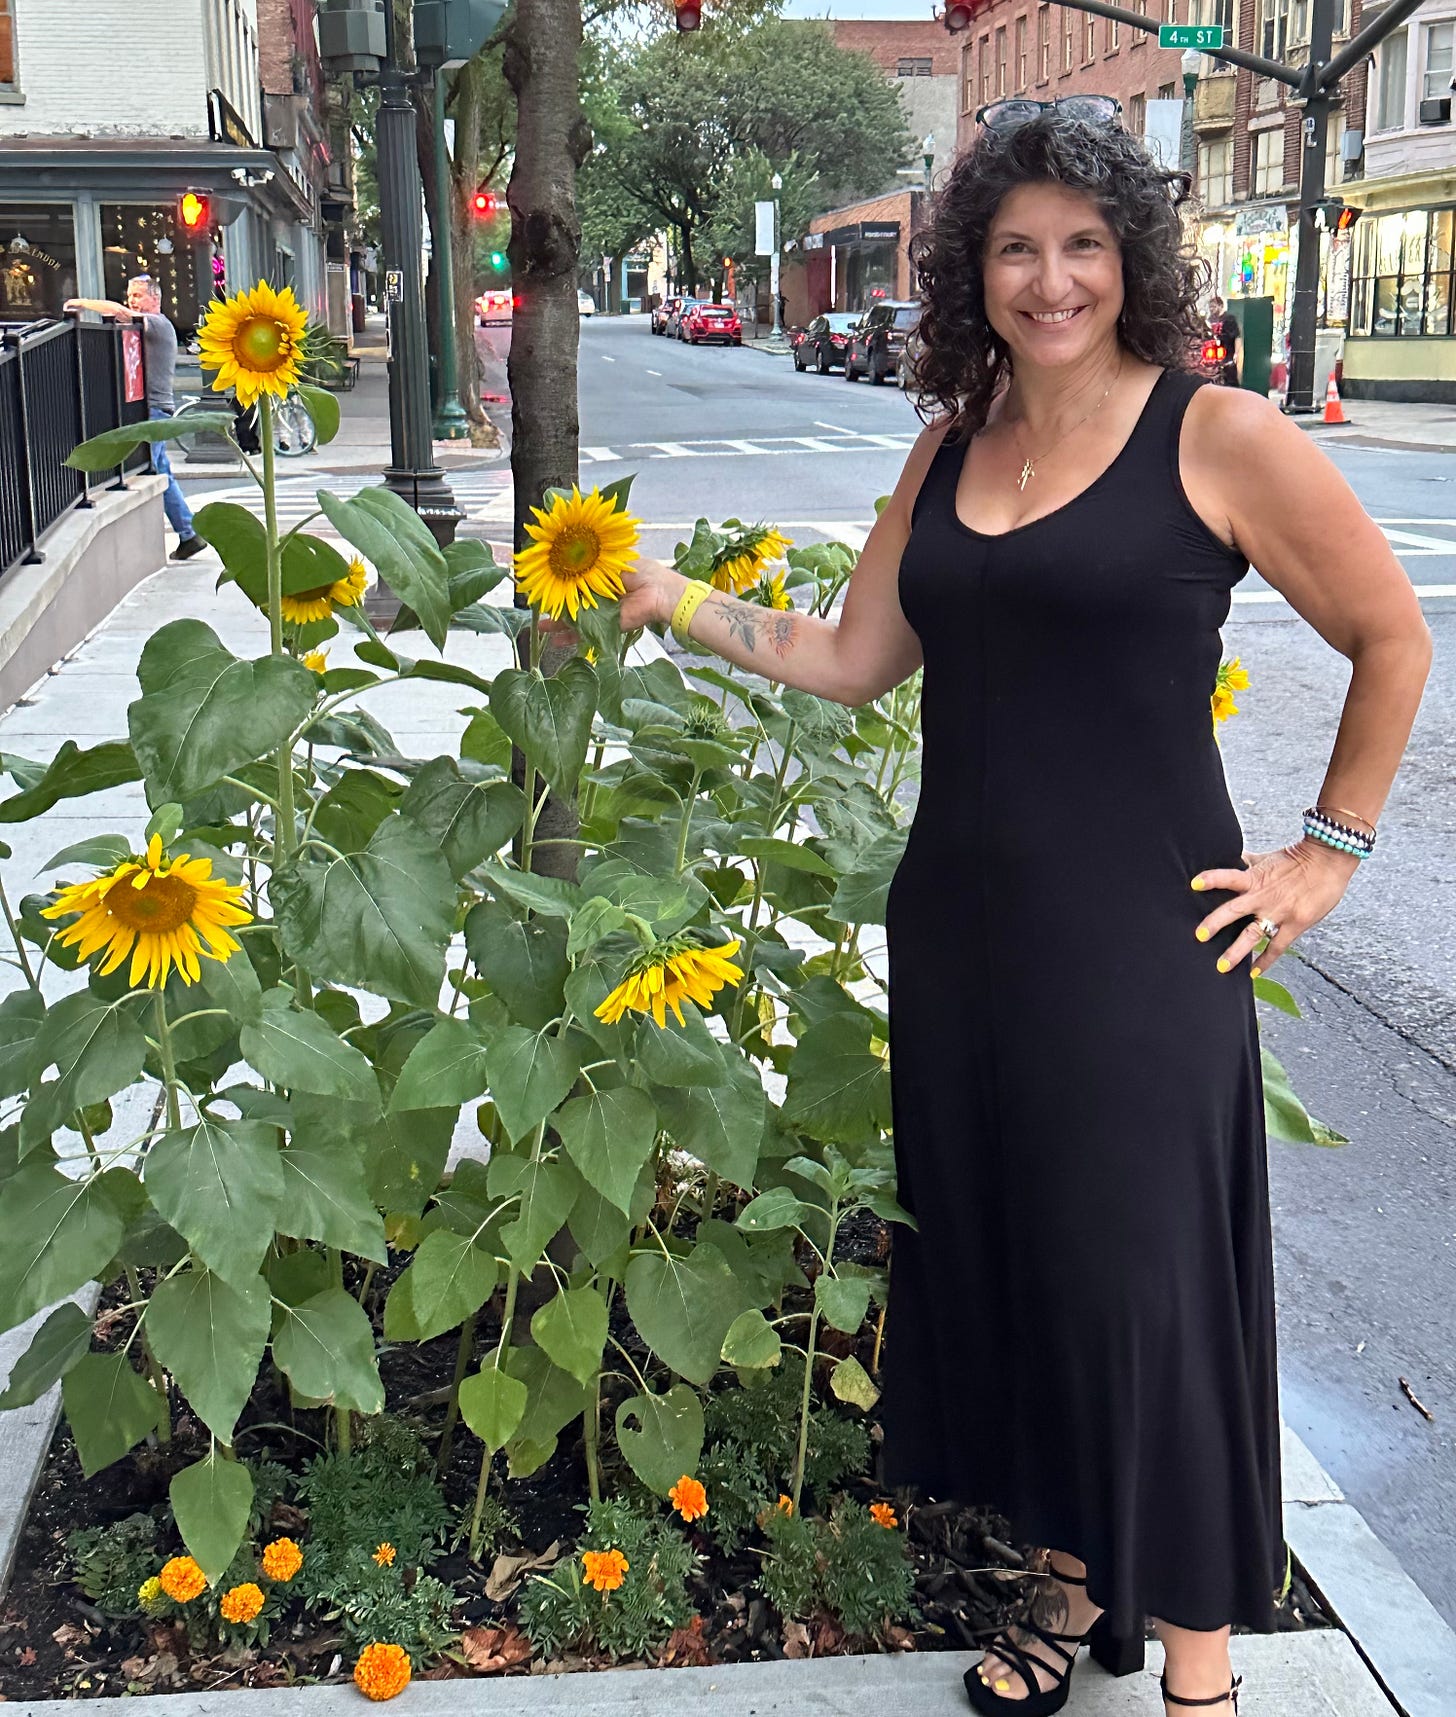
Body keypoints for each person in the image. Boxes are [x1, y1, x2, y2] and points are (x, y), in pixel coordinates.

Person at [619, 106, 1431, 1717]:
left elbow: (1392, 636)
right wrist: (668, 599)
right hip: (967, 942)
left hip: (1142, 948)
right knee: (1022, 1272)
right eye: (1014, 246)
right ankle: (1066, 1586)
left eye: (1079, 242)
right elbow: (854, 661)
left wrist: (1327, 851)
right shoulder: (955, 444)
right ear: (970, 271)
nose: (1049, 278)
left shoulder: (1217, 433)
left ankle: (1199, 1670)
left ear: (1127, 256)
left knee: (1146, 1292)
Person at [63, 275, 207, 560]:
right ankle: (189, 533)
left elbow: (121, 313)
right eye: (130, 294)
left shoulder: (158, 324)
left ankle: (189, 533)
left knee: (151, 468)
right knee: (159, 468)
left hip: (154, 410)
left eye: (138, 295)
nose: (132, 300)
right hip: (148, 410)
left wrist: (82, 303)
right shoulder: (141, 326)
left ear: (156, 299)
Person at [1208, 294, 1240, 386]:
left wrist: (1236, 354)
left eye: (1213, 306)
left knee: (1230, 381)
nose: (1211, 309)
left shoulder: (1229, 319)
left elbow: (1237, 337)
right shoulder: (1210, 320)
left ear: (1221, 306)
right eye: (1210, 307)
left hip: (1227, 357)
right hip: (1213, 358)